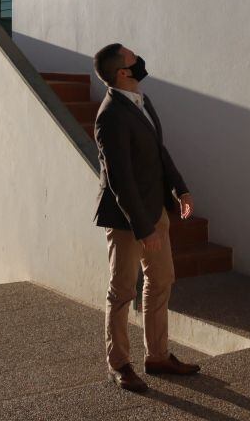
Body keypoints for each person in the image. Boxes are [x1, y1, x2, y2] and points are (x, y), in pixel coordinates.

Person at [92, 43, 201, 392]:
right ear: (123, 73)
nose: (139, 59)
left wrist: (180, 190)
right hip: (127, 220)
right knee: (122, 291)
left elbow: (159, 151)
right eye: (132, 58)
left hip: (156, 209)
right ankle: (119, 363)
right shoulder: (109, 116)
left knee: (161, 280)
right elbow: (120, 179)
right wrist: (143, 228)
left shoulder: (142, 102)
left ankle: (157, 356)